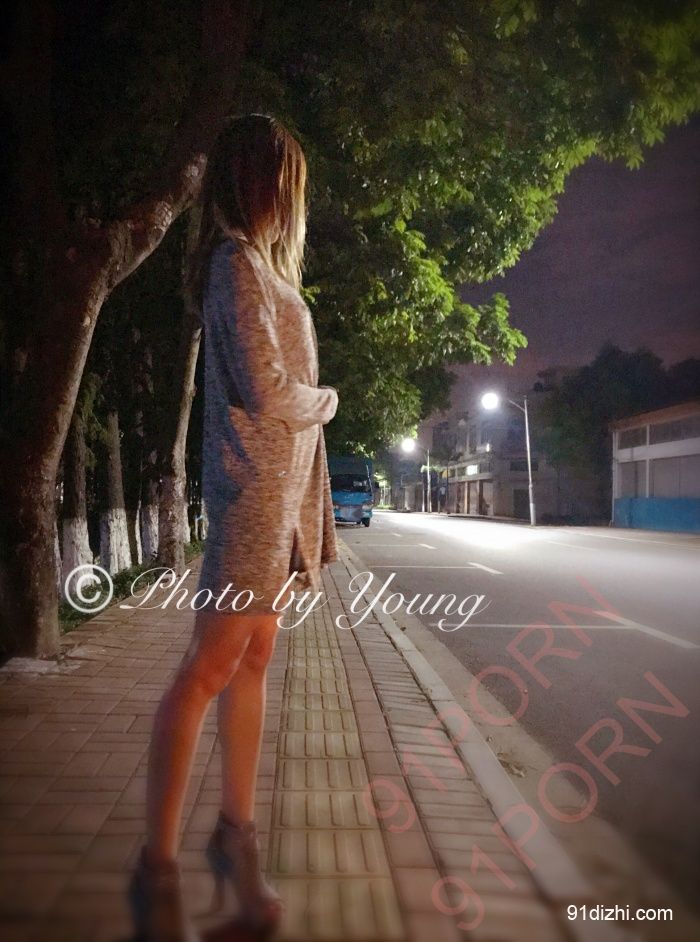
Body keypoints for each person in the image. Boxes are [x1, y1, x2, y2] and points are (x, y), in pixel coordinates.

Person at [128, 114, 339, 941]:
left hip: (279, 500)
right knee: (207, 669)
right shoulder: (235, 263)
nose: (290, 198)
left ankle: (234, 839)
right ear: (255, 182)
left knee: (253, 660)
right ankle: (157, 871)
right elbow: (267, 386)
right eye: (282, 180)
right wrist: (328, 400)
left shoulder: (260, 267)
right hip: (253, 498)